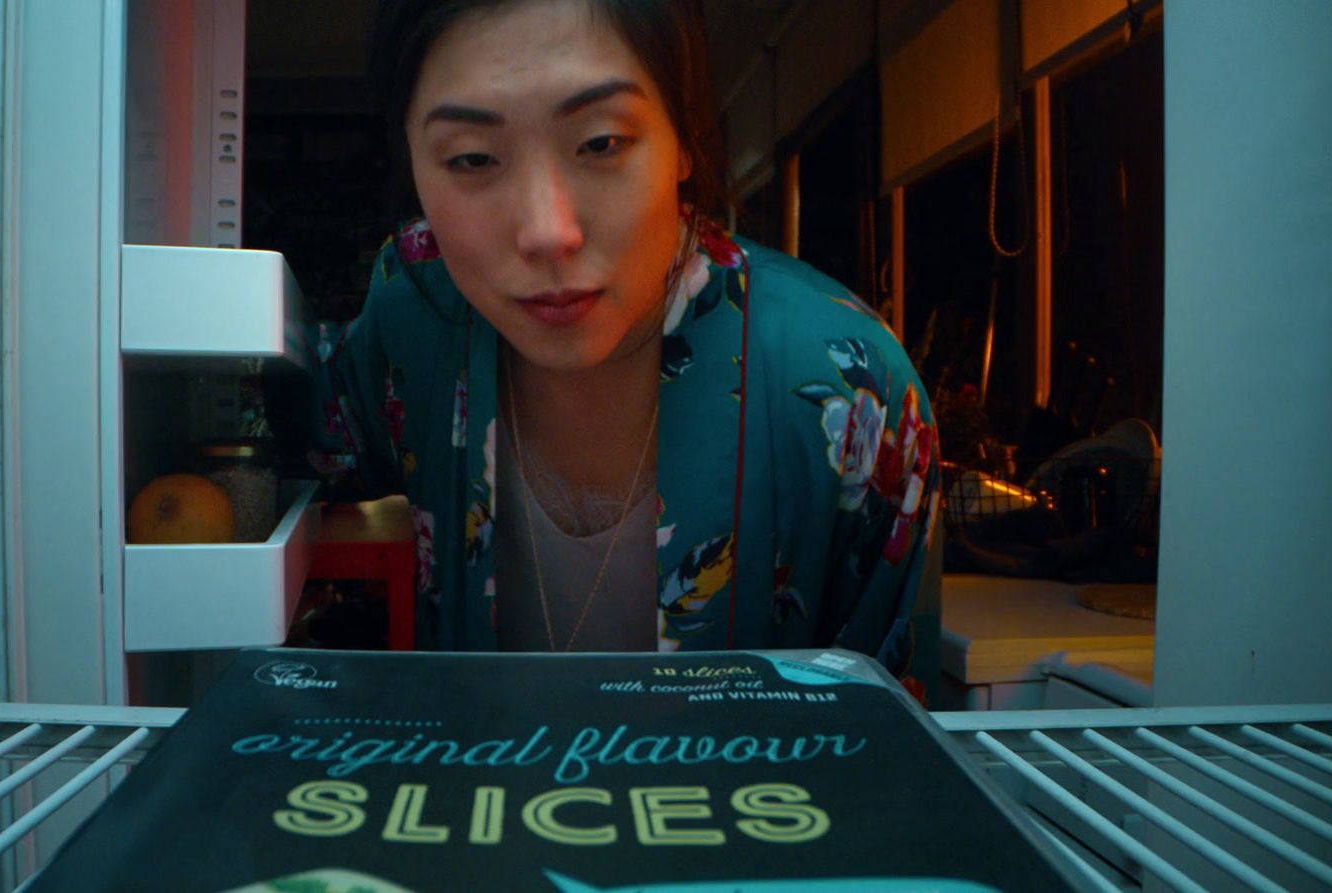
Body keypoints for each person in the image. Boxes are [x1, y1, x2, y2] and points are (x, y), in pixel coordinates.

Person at [312, 0, 940, 686]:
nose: (548, 231)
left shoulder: (848, 388)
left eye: (602, 142)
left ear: (685, 139)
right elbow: (274, 458)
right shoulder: (414, 317)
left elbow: (889, 753)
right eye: (471, 158)